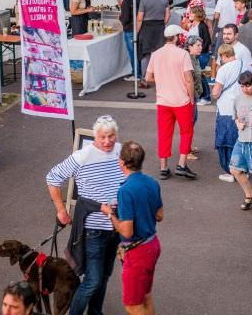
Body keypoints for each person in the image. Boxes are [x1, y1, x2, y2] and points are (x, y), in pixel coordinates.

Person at [46, 115, 124, 315]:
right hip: (93, 229)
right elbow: (52, 177)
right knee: (92, 280)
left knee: (105, 276)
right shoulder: (82, 156)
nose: (107, 141)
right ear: (95, 136)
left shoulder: (121, 151)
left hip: (115, 227)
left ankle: (95, 313)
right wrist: (61, 209)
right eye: (102, 137)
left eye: (111, 136)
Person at [101, 142, 162, 315]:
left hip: (137, 253)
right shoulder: (152, 182)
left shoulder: (125, 190)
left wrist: (110, 214)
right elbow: (159, 215)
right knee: (146, 296)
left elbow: (127, 231)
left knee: (133, 305)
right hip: (152, 245)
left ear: (121, 162)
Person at [146, 25, 196, 180]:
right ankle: (181, 164)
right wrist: (192, 97)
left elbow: (148, 78)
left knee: (164, 133)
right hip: (181, 100)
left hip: (163, 101)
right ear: (176, 37)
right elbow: (189, 80)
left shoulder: (156, 54)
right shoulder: (183, 54)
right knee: (186, 132)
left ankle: (163, 166)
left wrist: (161, 80)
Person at [211, 44, 252, 183]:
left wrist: (214, 94)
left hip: (227, 109)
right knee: (242, 140)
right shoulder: (245, 65)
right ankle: (245, 169)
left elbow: (216, 92)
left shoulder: (223, 69)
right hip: (244, 108)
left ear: (223, 56)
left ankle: (233, 171)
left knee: (227, 142)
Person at [230, 71, 252, 216]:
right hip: (241, 140)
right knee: (235, 170)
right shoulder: (237, 99)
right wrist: (238, 122)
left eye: (248, 86)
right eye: (242, 86)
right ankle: (249, 194)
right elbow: (235, 117)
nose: (245, 89)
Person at [136, 0, 170, 83]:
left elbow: (140, 18)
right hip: (160, 27)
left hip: (147, 28)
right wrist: (162, 24)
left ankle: (145, 78)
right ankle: (159, 77)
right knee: (159, 53)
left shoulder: (144, 0)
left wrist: (137, 32)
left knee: (146, 53)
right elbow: (168, 14)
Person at [211, 0, 237, 79]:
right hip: (235, 30)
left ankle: (213, 76)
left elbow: (216, 16)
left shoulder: (221, 0)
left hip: (223, 29)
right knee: (233, 52)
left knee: (217, 52)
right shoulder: (238, 0)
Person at [120, 0, 142, 81]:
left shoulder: (126, 1)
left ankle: (136, 74)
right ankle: (140, 72)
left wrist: (120, 18)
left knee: (133, 52)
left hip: (129, 29)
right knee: (138, 52)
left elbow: (125, 19)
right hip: (139, 27)